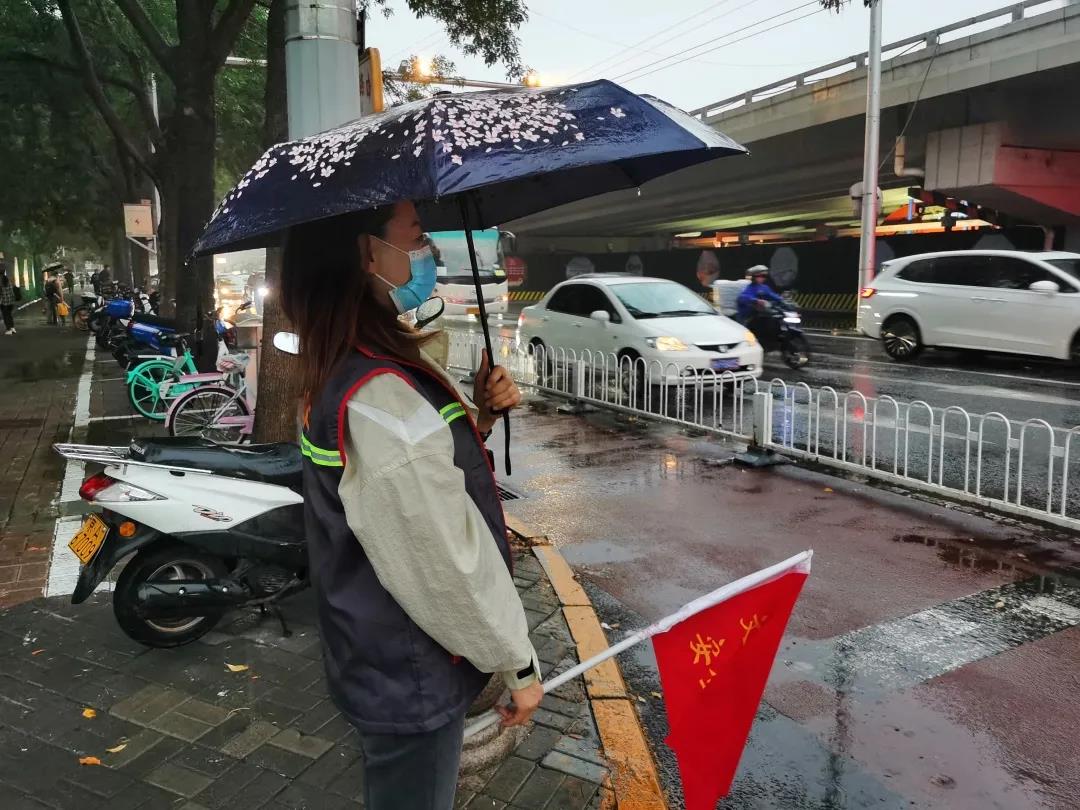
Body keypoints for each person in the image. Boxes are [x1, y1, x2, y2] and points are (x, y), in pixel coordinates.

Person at [280, 201, 542, 810]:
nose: (426, 253)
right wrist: (517, 663)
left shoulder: (349, 366)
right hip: (411, 668)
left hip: (378, 653)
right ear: (367, 253)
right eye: (416, 237)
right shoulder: (378, 392)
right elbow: (441, 556)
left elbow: (400, 488)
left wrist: (479, 416)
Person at [0, 265, 16, 335]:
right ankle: (12, 328)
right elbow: (11, 291)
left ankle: (8, 329)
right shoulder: (7, 279)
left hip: (4, 302)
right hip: (10, 301)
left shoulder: (0, 281)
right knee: (9, 315)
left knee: (5, 316)